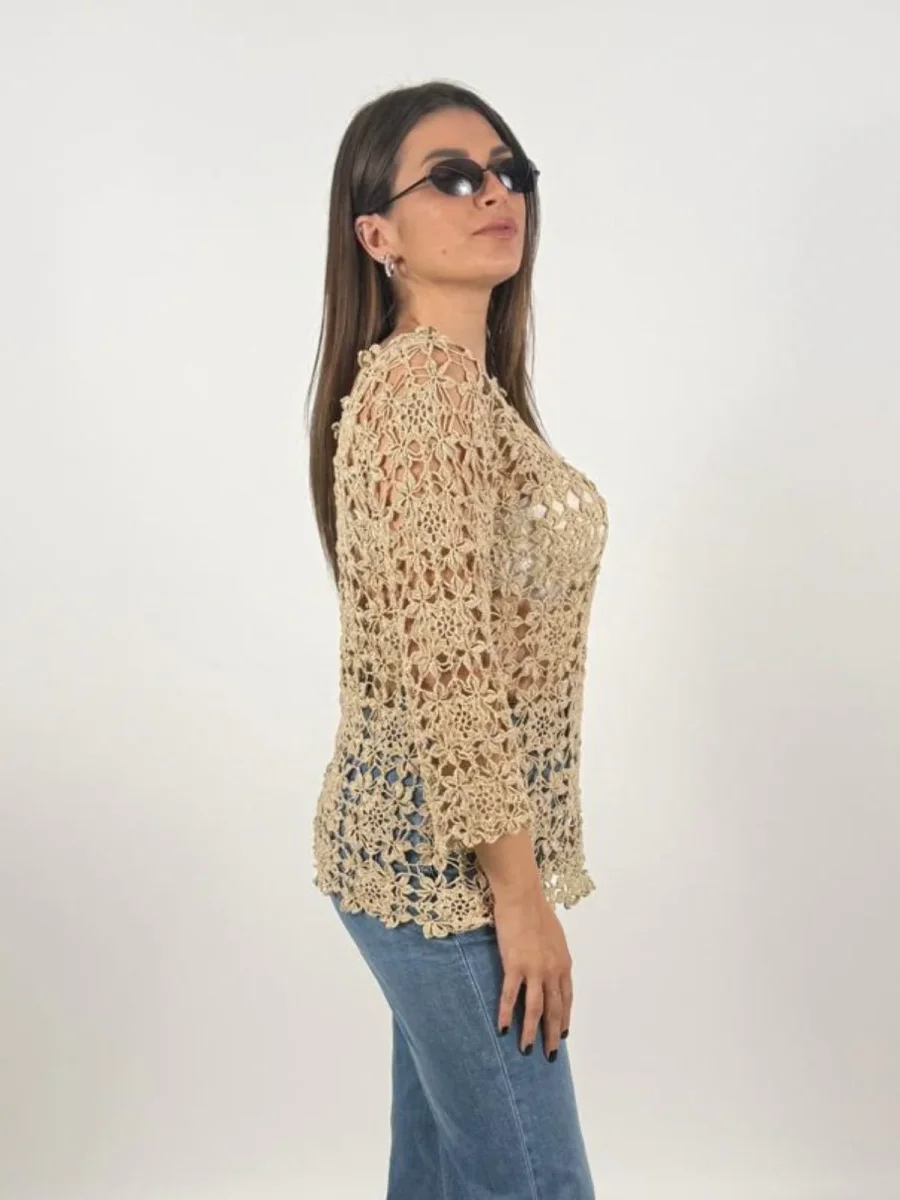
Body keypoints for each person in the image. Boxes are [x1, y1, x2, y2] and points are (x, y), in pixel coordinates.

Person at [306, 79, 610, 1198]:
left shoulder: (452, 391)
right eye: (453, 177)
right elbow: (455, 682)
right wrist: (519, 902)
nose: (496, 193)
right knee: (535, 1181)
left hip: (417, 858)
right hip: (445, 876)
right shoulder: (426, 393)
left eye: (508, 171)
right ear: (376, 236)